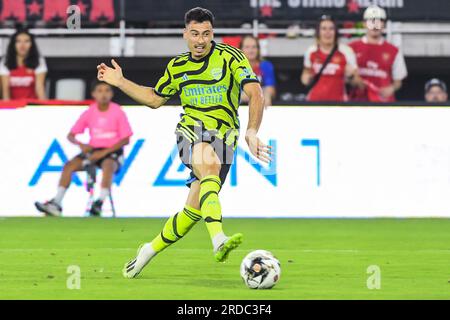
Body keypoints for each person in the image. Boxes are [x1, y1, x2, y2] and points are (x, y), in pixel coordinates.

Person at [97, 7, 271, 278]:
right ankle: (218, 239)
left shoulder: (230, 57)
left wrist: (251, 131)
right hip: (192, 132)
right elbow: (155, 98)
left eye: (206, 34)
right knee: (209, 166)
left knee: (193, 210)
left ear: (212, 33)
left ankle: (148, 250)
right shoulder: (177, 66)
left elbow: (255, 92)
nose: (200, 40)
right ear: (185, 34)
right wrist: (120, 82)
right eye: (194, 34)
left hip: (226, 139)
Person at [34, 81, 133, 217]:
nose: (103, 94)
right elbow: (71, 135)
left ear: (111, 94)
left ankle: (99, 202)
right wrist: (82, 145)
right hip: (93, 151)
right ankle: (57, 202)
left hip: (112, 152)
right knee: (69, 166)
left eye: (107, 90)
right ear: (93, 94)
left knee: (108, 165)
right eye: (100, 91)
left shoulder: (117, 111)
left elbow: (125, 139)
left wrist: (103, 153)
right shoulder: (90, 111)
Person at [348, 5, 408, 102]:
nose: (375, 25)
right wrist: (353, 80)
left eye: (378, 21)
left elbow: (398, 80)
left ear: (383, 24)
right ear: (364, 23)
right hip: (358, 103)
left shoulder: (393, 50)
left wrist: (391, 89)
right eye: (371, 21)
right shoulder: (352, 48)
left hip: (384, 103)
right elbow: (345, 77)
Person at [301, 15, 363, 102]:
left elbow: (359, 84)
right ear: (318, 32)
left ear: (336, 32)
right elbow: (305, 77)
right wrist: (306, 78)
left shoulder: (346, 51)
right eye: (324, 29)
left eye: (331, 29)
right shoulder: (311, 51)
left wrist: (351, 76)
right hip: (314, 103)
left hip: (339, 104)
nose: (327, 32)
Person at [0, 29, 47, 100]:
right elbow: (5, 90)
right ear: (13, 44)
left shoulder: (39, 61)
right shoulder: (5, 61)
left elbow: (39, 88)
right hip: (13, 107)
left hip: (32, 106)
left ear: (32, 44)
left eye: (26, 41)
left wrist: (45, 108)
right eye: (18, 41)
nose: (22, 45)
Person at [240, 35, 276, 107]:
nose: (251, 50)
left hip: (261, 105)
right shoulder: (234, 66)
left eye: (254, 47)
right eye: (247, 47)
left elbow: (271, 87)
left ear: (258, 49)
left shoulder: (266, 65)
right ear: (241, 49)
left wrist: (267, 95)